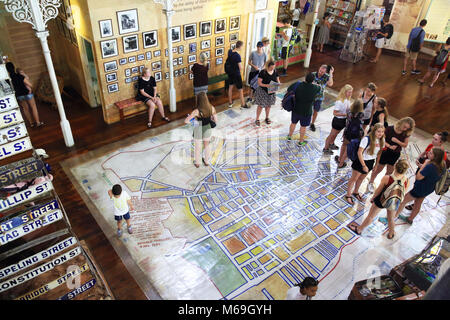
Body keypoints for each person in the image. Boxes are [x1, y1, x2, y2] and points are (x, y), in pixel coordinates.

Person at [350, 159, 410, 239]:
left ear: (395, 166)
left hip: (381, 200)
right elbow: (404, 192)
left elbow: (378, 191)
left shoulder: (387, 178)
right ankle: (391, 233)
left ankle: (359, 229)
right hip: (394, 202)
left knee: (371, 216)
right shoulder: (406, 180)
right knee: (391, 218)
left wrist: (373, 198)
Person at [395, 148, 446, 225]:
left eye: (431, 153)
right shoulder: (443, 164)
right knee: (418, 203)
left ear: (435, 157)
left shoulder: (430, 166)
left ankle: (393, 217)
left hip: (420, 189)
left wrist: (424, 165)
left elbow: (418, 177)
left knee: (403, 201)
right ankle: (410, 219)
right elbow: (431, 174)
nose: (428, 153)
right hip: (429, 188)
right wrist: (423, 166)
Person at [367, 117, 415, 192]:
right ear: (401, 123)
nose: (405, 129)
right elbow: (382, 140)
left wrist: (397, 141)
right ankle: (371, 182)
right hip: (385, 151)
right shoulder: (390, 129)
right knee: (378, 169)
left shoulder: (406, 133)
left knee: (390, 171)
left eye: (407, 128)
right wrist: (389, 146)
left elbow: (405, 145)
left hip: (395, 154)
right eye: (404, 127)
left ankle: (382, 185)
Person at [404, 131, 448, 210]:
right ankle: (415, 198)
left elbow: (437, 170)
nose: (432, 140)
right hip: (423, 168)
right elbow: (424, 152)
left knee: (420, 190)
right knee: (417, 184)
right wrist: (419, 158)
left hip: (427, 174)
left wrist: (422, 166)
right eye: (433, 138)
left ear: (441, 142)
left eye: (435, 139)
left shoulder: (442, 155)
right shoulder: (431, 145)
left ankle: (415, 202)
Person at [345, 123, 385, 205]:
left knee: (361, 178)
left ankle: (355, 192)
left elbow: (379, 153)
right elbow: (359, 152)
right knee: (354, 179)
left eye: (382, 132)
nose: (380, 134)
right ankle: (348, 195)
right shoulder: (367, 139)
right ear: (374, 131)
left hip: (371, 161)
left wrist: (376, 164)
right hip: (361, 161)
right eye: (378, 131)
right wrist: (363, 165)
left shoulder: (382, 140)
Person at [184, 92, 218, 168]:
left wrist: (194, 122)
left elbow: (186, 121)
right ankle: (206, 161)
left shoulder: (196, 111)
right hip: (207, 127)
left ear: (198, 100)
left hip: (198, 128)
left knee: (198, 147)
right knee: (207, 145)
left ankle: (197, 163)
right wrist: (211, 118)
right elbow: (216, 120)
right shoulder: (211, 108)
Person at [5, 62, 43, 128]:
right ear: (14, 68)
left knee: (25, 109)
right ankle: (38, 122)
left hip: (19, 95)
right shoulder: (20, 76)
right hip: (27, 93)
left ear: (7, 70)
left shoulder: (8, 79)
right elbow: (30, 85)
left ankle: (31, 123)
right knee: (33, 107)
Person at [287, 72, 320, 146]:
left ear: (305, 78)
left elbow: (289, 89)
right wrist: (314, 84)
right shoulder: (315, 88)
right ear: (313, 80)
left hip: (296, 108)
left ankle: (289, 136)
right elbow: (319, 88)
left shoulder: (298, 84)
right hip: (307, 111)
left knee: (293, 123)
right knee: (303, 126)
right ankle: (300, 141)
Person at [323, 84, 353, 154]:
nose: (350, 94)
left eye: (351, 92)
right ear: (344, 92)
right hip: (337, 121)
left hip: (343, 120)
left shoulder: (347, 99)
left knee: (336, 134)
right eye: (349, 92)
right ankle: (326, 148)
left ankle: (331, 144)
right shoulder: (339, 101)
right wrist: (345, 114)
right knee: (332, 135)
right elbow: (335, 113)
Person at [335, 99, 364, 169]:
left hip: (347, 131)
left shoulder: (349, 112)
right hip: (355, 134)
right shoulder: (361, 114)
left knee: (344, 145)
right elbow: (360, 126)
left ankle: (339, 159)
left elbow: (347, 122)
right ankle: (341, 163)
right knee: (348, 149)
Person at [254, 60, 280, 126]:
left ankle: (267, 117)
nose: (272, 69)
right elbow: (259, 83)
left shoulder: (275, 71)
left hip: (271, 91)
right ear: (268, 67)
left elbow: (277, 80)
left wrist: (278, 84)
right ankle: (257, 119)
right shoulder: (263, 72)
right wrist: (266, 85)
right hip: (263, 91)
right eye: (271, 68)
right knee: (260, 105)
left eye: (273, 67)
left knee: (268, 105)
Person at [309, 64, 334, 132]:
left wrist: (331, 73)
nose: (320, 73)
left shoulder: (326, 76)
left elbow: (330, 84)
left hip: (319, 97)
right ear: (319, 68)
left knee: (316, 111)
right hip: (310, 96)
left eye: (322, 72)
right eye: (320, 71)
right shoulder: (313, 74)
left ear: (325, 72)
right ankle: (306, 121)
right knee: (308, 110)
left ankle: (312, 123)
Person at [225, 40, 247, 109]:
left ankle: (230, 103)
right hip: (236, 74)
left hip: (230, 73)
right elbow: (240, 67)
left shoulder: (230, 52)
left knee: (230, 88)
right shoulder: (237, 56)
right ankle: (243, 104)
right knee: (240, 89)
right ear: (240, 46)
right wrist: (243, 67)